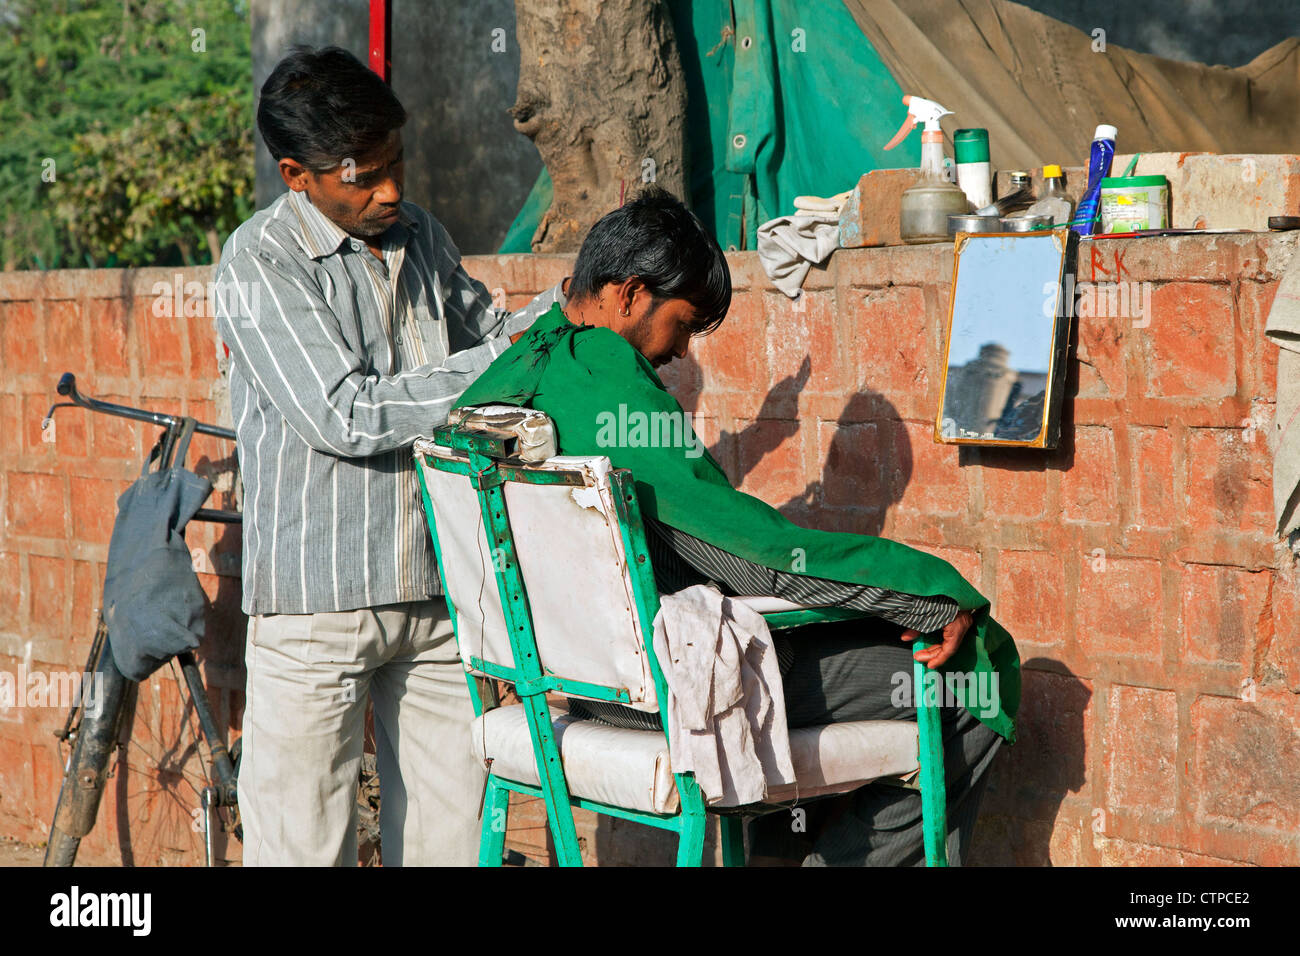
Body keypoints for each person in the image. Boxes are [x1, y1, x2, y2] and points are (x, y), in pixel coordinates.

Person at [455, 186, 1020, 865]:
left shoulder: (515, 368)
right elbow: (757, 561)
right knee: (973, 684)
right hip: (665, 693)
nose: (681, 353)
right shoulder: (608, 381)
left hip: (570, 683)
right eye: (684, 325)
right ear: (631, 294)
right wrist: (929, 593)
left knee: (855, 638)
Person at [213, 46, 560, 865]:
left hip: (436, 593)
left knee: (451, 840)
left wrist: (565, 308)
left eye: (396, 163)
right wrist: (488, 367)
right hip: (316, 604)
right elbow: (345, 414)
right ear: (297, 174)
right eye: (362, 176)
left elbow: (492, 337)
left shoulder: (420, 236)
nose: (391, 190)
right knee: (303, 849)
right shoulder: (259, 264)